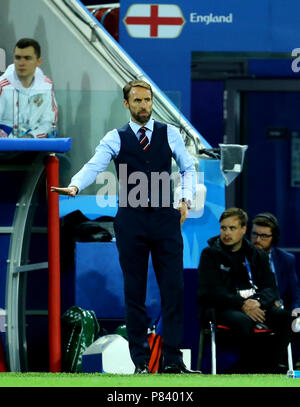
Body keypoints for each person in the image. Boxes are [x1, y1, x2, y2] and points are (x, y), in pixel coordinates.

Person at [51, 79, 201, 374]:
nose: (143, 106)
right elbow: (95, 164)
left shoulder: (169, 133)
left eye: (147, 100)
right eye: (137, 101)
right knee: (135, 292)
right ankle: (142, 364)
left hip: (164, 218)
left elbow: (187, 167)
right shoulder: (115, 137)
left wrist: (185, 199)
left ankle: (172, 361)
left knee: (174, 289)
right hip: (131, 220)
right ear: (126, 104)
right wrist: (75, 185)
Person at [198, 207, 292, 373]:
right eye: (223, 228)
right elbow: (211, 292)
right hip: (222, 308)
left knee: (285, 318)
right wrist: (242, 304)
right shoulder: (210, 254)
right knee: (243, 321)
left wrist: (256, 302)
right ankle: (251, 368)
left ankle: (270, 366)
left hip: (255, 305)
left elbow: (271, 289)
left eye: (232, 228)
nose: (227, 233)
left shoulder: (257, 254)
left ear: (243, 229)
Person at [0, 38, 58, 138]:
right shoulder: (3, 86)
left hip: (33, 143)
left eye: (27, 58)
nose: (21, 63)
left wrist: (31, 136)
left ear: (38, 61)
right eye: (18, 58)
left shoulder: (46, 87)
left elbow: (49, 123)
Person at [250, 212, 300, 314]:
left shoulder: (286, 260)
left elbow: (295, 294)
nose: (258, 240)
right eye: (255, 234)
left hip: (278, 312)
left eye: (263, 236)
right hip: (250, 313)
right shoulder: (240, 258)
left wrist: (296, 309)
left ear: (274, 238)